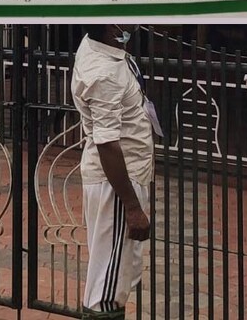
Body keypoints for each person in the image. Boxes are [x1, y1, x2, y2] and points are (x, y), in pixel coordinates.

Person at [70, 25, 159, 320]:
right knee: (106, 289)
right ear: (110, 26)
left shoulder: (104, 47)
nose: (134, 23)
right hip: (117, 186)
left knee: (122, 274)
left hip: (128, 175)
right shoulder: (103, 72)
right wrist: (132, 207)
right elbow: (106, 143)